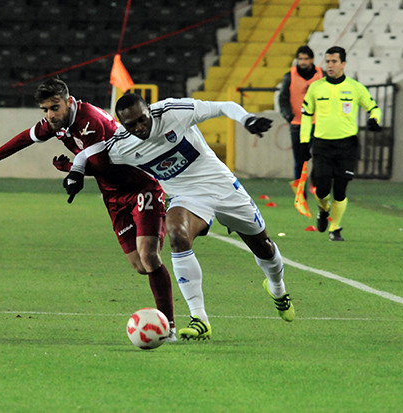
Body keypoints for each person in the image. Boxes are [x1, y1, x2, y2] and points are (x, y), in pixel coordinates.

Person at [67, 94, 295, 340]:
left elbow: (224, 106)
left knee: (263, 246)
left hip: (222, 186)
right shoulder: (123, 143)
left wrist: (247, 119)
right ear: (123, 124)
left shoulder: (173, 111)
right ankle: (200, 319)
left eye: (142, 120)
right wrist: (76, 171)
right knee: (177, 235)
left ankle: (277, 289)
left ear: (149, 111)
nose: (139, 128)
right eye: (131, 125)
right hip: (185, 197)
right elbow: (90, 154)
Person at [0, 78, 177, 340]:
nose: (50, 115)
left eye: (55, 107)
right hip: (113, 196)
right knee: (140, 265)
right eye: (45, 110)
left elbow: (101, 163)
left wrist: (75, 170)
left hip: (141, 185)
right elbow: (26, 138)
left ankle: (168, 327)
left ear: (69, 102)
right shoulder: (56, 123)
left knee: (149, 256)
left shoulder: (89, 120)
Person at [300, 46, 382, 241]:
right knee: (321, 188)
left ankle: (334, 228)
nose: (330, 65)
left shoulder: (355, 88)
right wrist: (304, 142)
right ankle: (323, 209)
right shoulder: (316, 88)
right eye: (327, 61)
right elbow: (306, 116)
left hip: (347, 146)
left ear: (343, 64)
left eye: (334, 61)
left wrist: (374, 120)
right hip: (322, 145)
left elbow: (374, 108)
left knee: (340, 189)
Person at [278, 45, 324, 182]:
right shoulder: (289, 76)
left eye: (306, 59)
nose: (303, 62)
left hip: (319, 124)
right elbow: (283, 99)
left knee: (320, 160)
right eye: (300, 59)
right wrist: (288, 115)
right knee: (300, 162)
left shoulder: (322, 76)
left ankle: (317, 188)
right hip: (298, 124)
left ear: (312, 60)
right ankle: (300, 194)